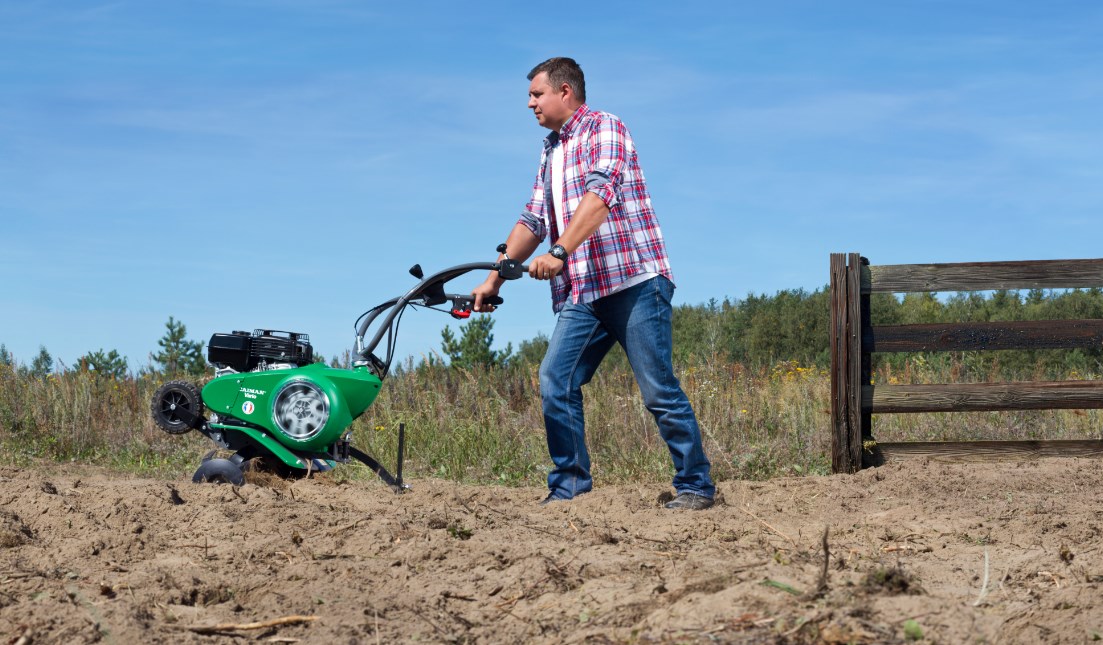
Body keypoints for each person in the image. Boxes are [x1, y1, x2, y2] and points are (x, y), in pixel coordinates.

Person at [472, 57, 715, 510]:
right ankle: (570, 488)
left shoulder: (605, 127)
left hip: (634, 282)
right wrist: (494, 280)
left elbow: (601, 195)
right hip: (585, 291)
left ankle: (696, 485)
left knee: (657, 389)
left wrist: (560, 253)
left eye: (536, 94)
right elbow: (532, 219)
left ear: (565, 92)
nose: (530, 104)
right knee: (555, 379)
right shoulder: (551, 149)